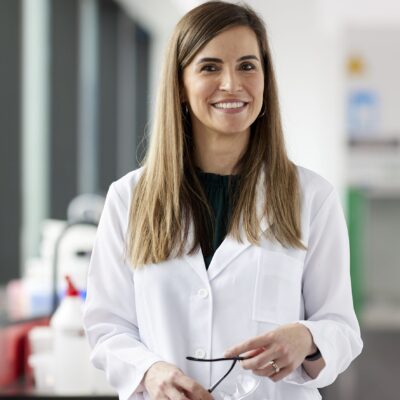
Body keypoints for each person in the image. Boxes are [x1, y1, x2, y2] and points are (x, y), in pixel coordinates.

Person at [83, 1, 363, 399]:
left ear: (265, 79)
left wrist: (306, 337)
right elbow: (107, 326)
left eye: (247, 66)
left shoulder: (312, 197)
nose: (232, 83)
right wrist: (150, 371)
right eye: (210, 67)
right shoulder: (129, 198)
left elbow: (341, 327)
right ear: (180, 84)